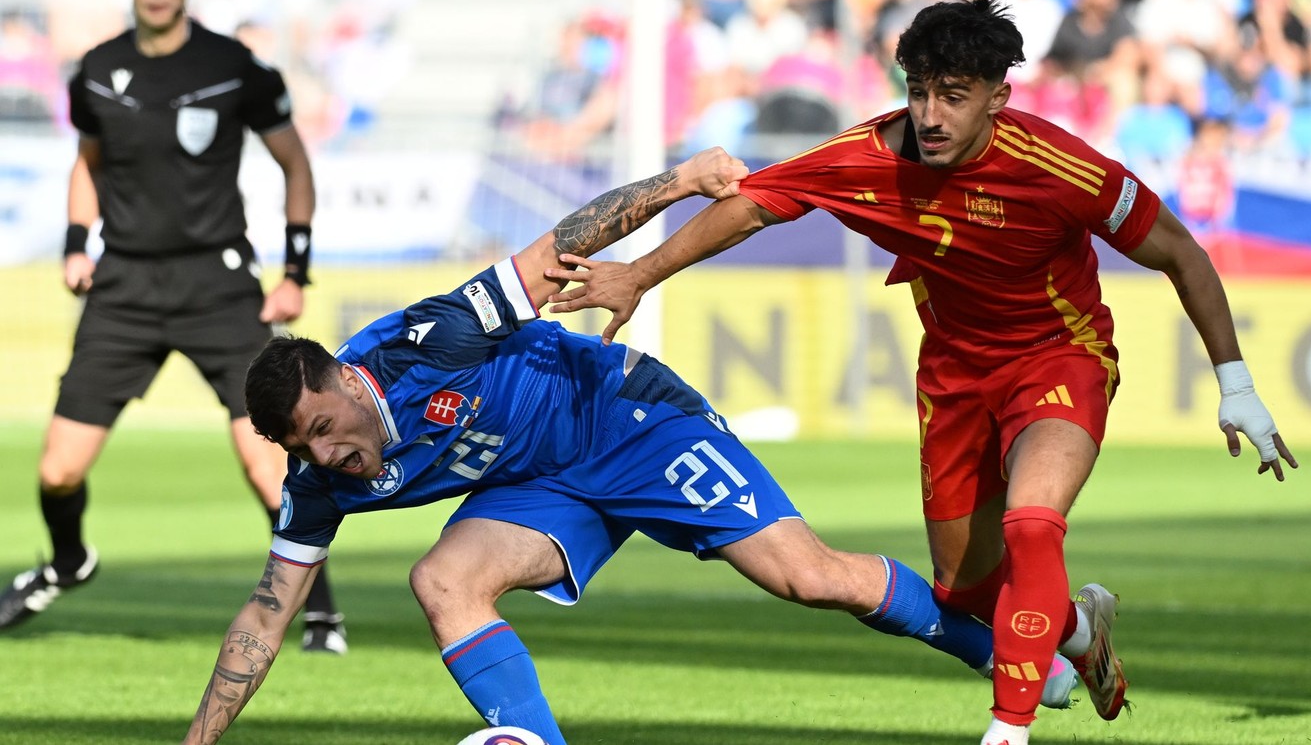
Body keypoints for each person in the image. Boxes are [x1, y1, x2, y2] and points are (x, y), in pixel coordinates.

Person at [543, 0, 1297, 745]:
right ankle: (1075, 624)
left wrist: (1237, 386)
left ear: (999, 99)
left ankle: (1008, 727)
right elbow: (752, 208)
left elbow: (1180, 252)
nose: (931, 114)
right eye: (919, 91)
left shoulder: (1060, 167)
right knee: (963, 590)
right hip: (954, 377)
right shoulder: (863, 158)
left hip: (1058, 358)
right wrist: (640, 273)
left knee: (1033, 522)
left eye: (954, 97)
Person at [180, 147, 1083, 745]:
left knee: (811, 577)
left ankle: (1003, 650)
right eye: (306, 448)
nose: (332, 455)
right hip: (540, 481)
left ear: (341, 378)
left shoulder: (429, 340)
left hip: (625, 417)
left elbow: (559, 247)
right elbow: (266, 614)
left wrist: (685, 179)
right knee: (441, 579)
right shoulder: (318, 484)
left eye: (328, 429)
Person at [0, 0, 346, 652]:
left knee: (265, 462)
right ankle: (68, 562)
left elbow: (294, 163)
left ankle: (321, 613)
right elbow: (87, 164)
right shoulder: (97, 71)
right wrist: (77, 244)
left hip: (218, 288)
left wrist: (295, 272)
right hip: (123, 287)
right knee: (58, 470)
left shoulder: (234, 66)